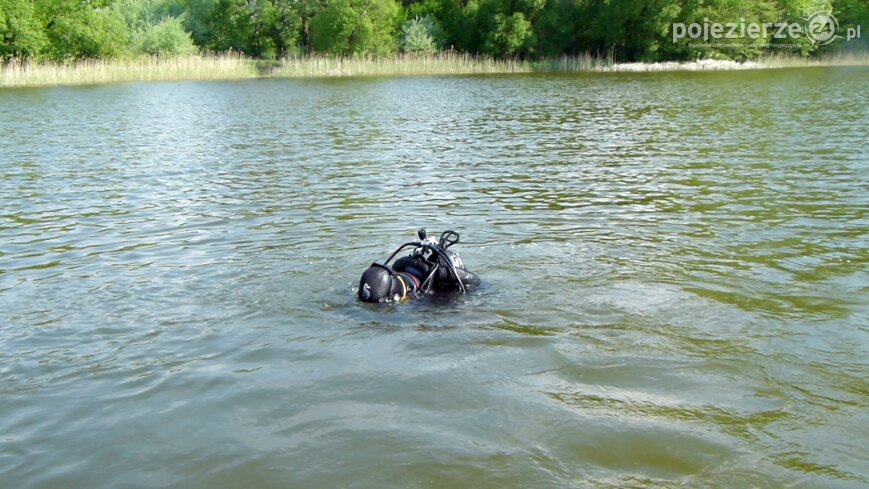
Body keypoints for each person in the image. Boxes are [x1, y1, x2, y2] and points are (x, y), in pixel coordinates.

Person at [357, 229, 480, 303]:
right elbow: (474, 281)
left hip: (394, 280)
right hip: (403, 294)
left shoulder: (405, 264)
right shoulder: (437, 286)